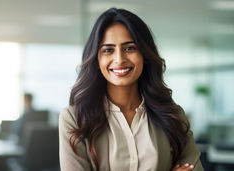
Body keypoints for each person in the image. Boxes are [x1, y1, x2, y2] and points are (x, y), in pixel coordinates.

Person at [59, 8, 203, 171]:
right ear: (96, 60)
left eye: (130, 48)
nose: (119, 59)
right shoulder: (74, 119)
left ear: (145, 55)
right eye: (108, 50)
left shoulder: (173, 115)